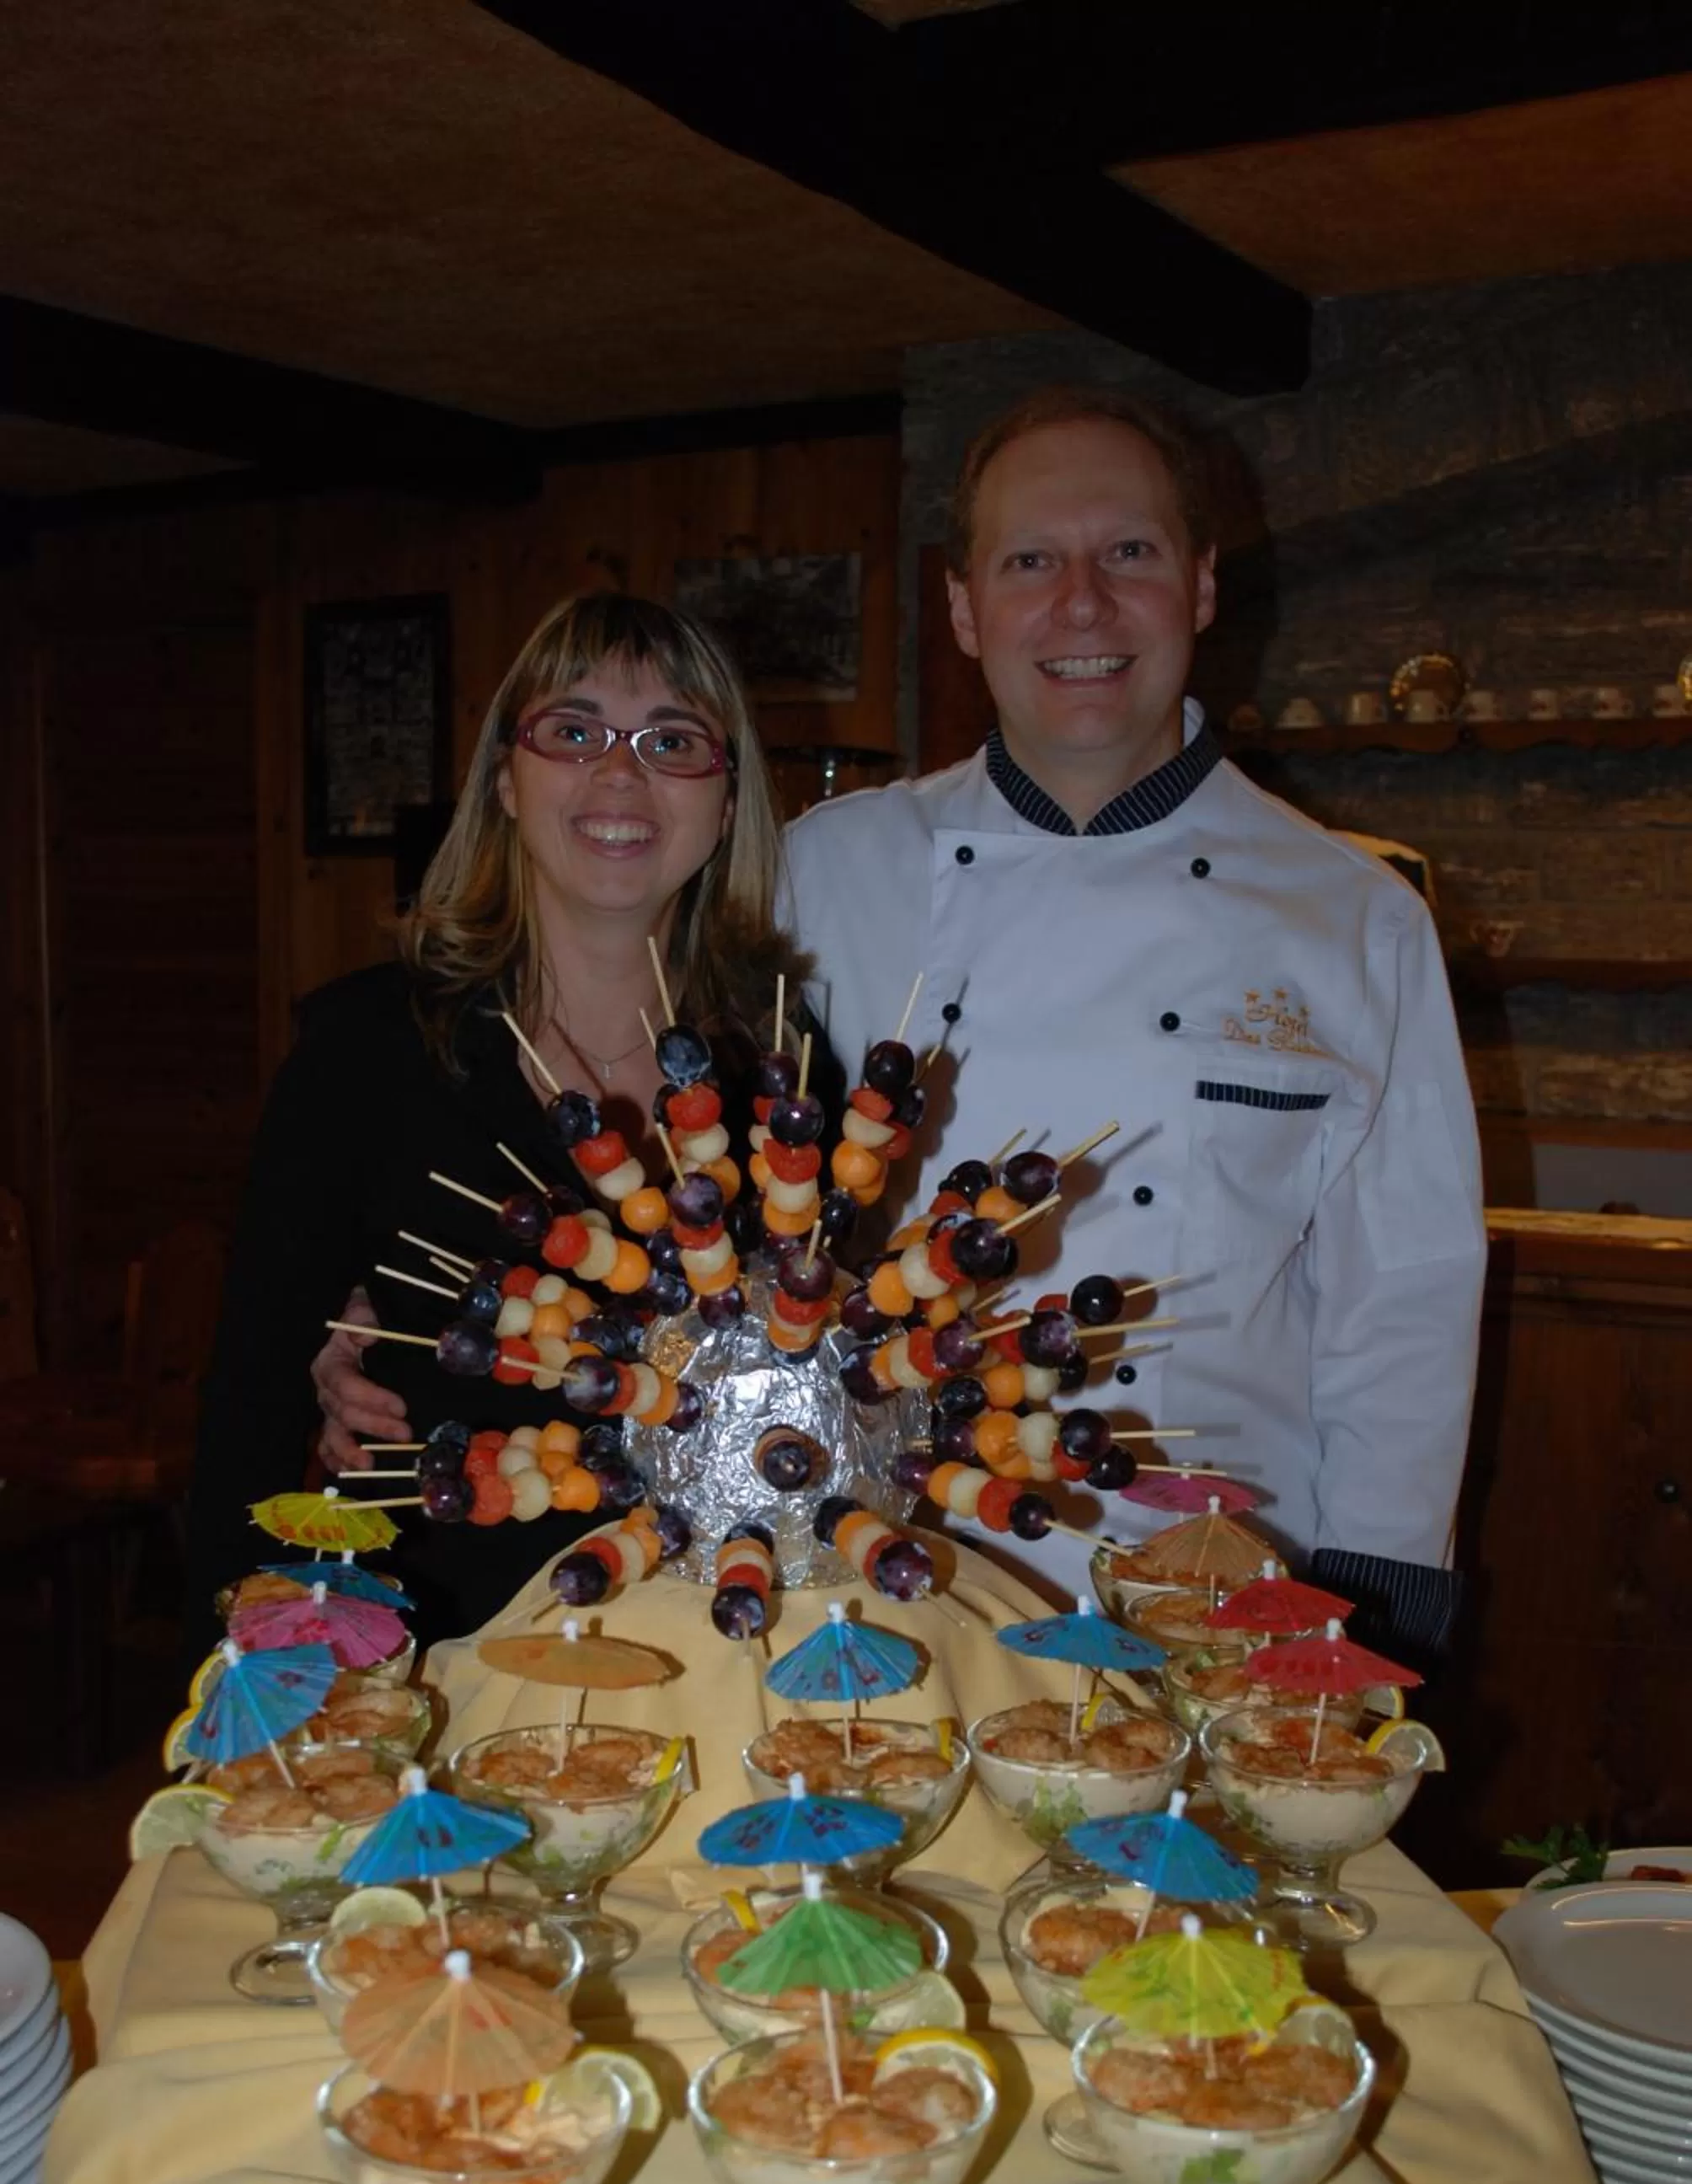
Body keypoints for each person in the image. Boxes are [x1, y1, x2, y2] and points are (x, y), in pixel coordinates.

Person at [780, 386, 1485, 1651]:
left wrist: (1381, 1608)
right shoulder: (825, 874)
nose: (1084, 603)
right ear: (964, 608)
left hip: (1224, 1579)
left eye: (1132, 554)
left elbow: (1407, 1298)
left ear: (1202, 587)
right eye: (1032, 559)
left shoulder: (1353, 913)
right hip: (897, 1574)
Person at [185, 592, 795, 1653]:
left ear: (729, 800)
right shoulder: (365, 1051)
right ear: (506, 781)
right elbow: (249, 1404)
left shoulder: (781, 1070)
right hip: (434, 1655)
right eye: (572, 731)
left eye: (673, 740)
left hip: (717, 1645)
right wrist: (241, 1681)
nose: (619, 773)